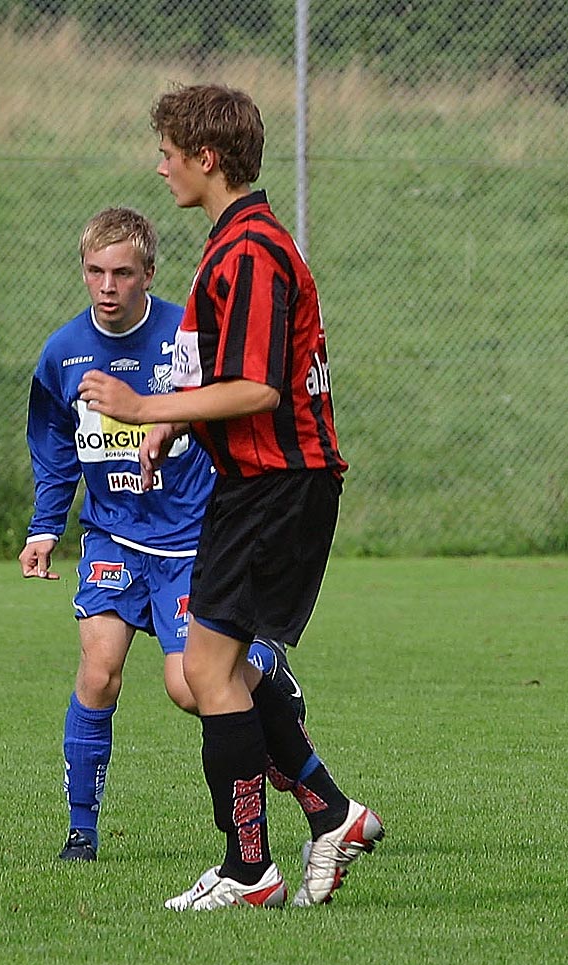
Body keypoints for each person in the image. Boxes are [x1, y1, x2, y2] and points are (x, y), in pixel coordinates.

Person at [76, 85, 383, 909]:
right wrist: (172, 427)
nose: (162, 163)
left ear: (207, 159)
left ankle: (252, 870)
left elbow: (256, 389)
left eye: (170, 150)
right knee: (212, 673)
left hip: (276, 487)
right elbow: (228, 376)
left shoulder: (248, 251)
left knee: (208, 672)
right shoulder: (237, 242)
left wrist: (147, 407)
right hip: (263, 485)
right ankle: (327, 814)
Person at [19, 206, 320, 868]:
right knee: (98, 671)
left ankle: (266, 671)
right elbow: (53, 446)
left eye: (122, 273)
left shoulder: (186, 337)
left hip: (192, 540)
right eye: (95, 271)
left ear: (148, 273)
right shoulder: (63, 352)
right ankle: (81, 832)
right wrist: (45, 526)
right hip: (112, 536)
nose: (107, 286)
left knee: (189, 688)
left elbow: (231, 405)